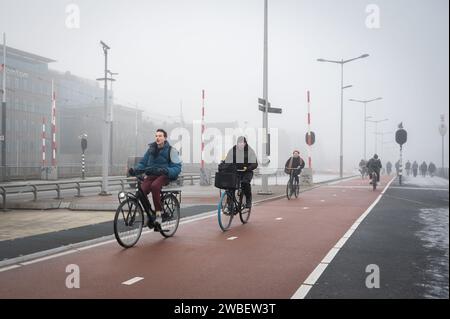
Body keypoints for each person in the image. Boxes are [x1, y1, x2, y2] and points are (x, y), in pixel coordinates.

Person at [128, 129, 182, 228]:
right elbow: (143, 163)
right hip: (152, 174)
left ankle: (158, 214)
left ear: (165, 138)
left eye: (160, 136)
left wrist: (167, 171)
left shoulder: (171, 150)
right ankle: (150, 213)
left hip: (164, 175)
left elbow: (177, 167)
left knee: (155, 186)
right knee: (141, 191)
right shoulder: (151, 150)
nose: (158, 138)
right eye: (156, 136)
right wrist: (134, 170)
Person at [225, 136, 258, 208]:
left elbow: (255, 163)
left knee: (245, 183)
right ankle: (230, 203)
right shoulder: (233, 150)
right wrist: (224, 165)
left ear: (245, 143)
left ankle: (248, 199)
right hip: (236, 171)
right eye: (239, 143)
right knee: (230, 185)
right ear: (237, 143)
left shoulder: (250, 151)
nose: (241, 144)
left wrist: (248, 168)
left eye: (242, 143)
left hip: (247, 172)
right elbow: (227, 160)